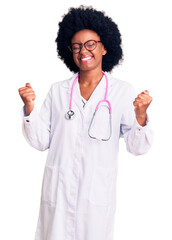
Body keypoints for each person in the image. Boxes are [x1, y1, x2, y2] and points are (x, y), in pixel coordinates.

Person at [18, 5, 153, 240]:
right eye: (77, 46)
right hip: (58, 194)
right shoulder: (59, 91)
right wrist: (30, 107)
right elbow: (41, 141)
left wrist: (141, 114)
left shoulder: (121, 92)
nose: (83, 51)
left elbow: (138, 147)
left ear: (104, 47)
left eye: (90, 43)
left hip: (96, 196)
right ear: (69, 50)